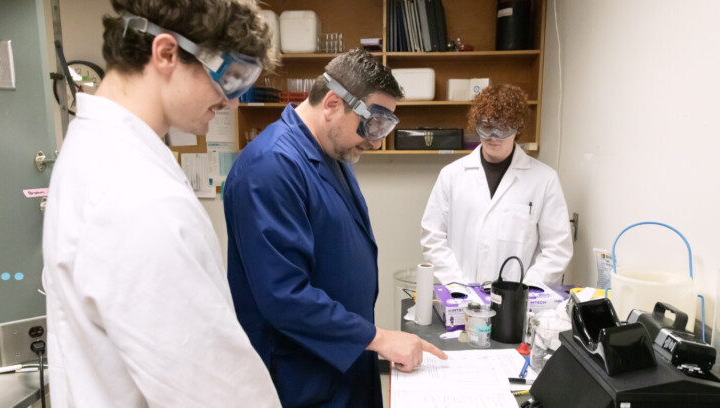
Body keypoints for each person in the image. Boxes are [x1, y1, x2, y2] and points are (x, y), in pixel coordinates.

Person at [42, 1, 280, 406]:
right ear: (166, 53)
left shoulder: (96, 149)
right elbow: (211, 393)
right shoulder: (135, 194)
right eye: (231, 78)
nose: (233, 102)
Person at [223, 49, 447, 407]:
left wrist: (369, 339)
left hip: (343, 361)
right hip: (301, 377)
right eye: (373, 125)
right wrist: (379, 338)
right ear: (331, 103)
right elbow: (284, 295)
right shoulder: (269, 168)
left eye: (385, 128)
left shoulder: (330, 153)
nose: (376, 141)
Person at [421, 84, 573, 286]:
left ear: (517, 127)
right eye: (487, 126)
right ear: (475, 124)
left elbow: (557, 249)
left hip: (518, 303)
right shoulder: (451, 175)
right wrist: (457, 285)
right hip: (461, 296)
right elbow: (433, 237)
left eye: (503, 127)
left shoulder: (544, 180)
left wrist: (525, 291)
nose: (494, 136)